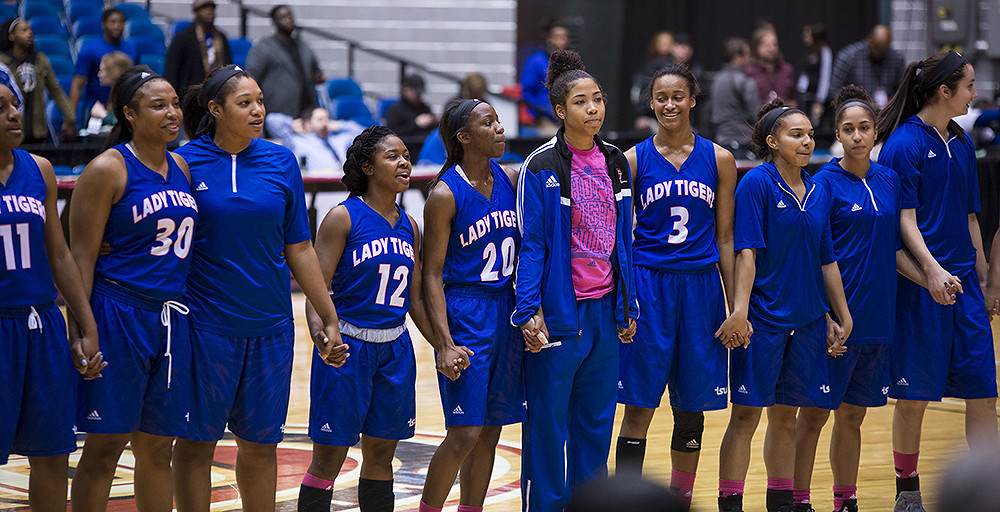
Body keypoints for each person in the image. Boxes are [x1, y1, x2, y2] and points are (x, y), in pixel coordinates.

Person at [170, 64, 343, 512]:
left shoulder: (281, 160)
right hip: (204, 327)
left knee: (261, 445)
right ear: (215, 109)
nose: (258, 110)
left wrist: (327, 315)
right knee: (195, 445)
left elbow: (300, 248)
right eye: (245, 102)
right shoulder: (184, 163)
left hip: (270, 326)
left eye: (260, 101)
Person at [512, 49, 638, 512]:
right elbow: (532, 244)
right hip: (559, 314)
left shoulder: (617, 161)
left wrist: (628, 305)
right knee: (548, 426)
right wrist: (528, 310)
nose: (593, 109)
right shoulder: (540, 164)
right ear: (560, 110)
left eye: (598, 99)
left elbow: (624, 242)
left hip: (605, 311)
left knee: (596, 424)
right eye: (581, 102)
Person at [714, 100, 853, 512]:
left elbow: (825, 259)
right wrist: (740, 310)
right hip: (764, 320)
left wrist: (838, 314)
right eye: (797, 135)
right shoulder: (756, 184)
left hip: (808, 320)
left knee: (786, 416)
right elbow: (747, 253)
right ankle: (730, 504)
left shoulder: (819, 189)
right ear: (773, 142)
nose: (807, 141)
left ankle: (781, 504)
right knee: (746, 416)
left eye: (810, 134)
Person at [68, 66, 195, 512]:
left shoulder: (181, 165)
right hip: (118, 313)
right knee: (106, 445)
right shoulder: (108, 168)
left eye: (175, 103)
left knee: (158, 447)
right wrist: (81, 330)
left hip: (170, 318)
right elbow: (80, 258)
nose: (172, 112)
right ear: (129, 114)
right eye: (158, 105)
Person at [792, 85, 924, 512]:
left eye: (864, 128)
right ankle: (798, 501)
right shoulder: (822, 184)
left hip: (877, 320)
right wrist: (827, 315)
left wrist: (930, 280)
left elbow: (894, 250)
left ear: (875, 131)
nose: (857, 136)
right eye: (848, 129)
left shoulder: (889, 180)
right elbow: (813, 256)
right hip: (835, 323)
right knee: (814, 414)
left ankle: (845, 501)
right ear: (837, 134)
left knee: (853, 415)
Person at [877, 50, 998, 512]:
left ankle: (989, 488)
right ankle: (907, 492)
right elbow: (904, 221)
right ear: (944, 91)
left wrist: (985, 279)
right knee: (914, 397)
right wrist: (931, 271)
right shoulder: (904, 144)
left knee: (983, 392)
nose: (974, 94)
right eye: (968, 86)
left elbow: (970, 218)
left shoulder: (962, 143)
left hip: (964, 286)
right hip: (921, 288)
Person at [613, 64, 737, 510]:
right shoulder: (632, 160)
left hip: (701, 291)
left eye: (678, 96)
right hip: (649, 288)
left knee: (691, 408)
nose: (670, 104)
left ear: (693, 100)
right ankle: (625, 503)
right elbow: (621, 240)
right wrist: (625, 302)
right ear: (651, 102)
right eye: (662, 97)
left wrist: (734, 305)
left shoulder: (720, 159)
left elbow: (726, 238)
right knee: (638, 406)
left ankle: (680, 501)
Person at [297, 125, 432, 512]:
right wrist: (321, 335)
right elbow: (316, 289)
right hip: (348, 347)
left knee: (382, 456)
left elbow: (415, 299)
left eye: (406, 155)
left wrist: (443, 344)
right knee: (329, 457)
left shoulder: (410, 226)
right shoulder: (343, 217)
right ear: (368, 167)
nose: (404, 162)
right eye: (392, 156)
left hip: (395, 348)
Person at [0, 68, 101, 512]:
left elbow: (59, 255)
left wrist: (85, 325)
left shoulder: (38, 169)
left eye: (15, 105)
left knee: (52, 454)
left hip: (40, 326)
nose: (13, 115)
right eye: (0, 108)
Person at [417, 99, 524, 512]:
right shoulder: (445, 193)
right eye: (488, 123)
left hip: (506, 308)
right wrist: (443, 343)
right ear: (464, 137)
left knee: (491, 431)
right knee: (464, 433)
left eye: (498, 121)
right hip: (467, 309)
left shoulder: (510, 178)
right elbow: (431, 274)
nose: (500, 128)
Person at [0, 18, 75, 142]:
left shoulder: (40, 60)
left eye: (30, 30)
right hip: (11, 130)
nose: (29, 33)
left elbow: (56, 91)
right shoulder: (2, 63)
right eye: (24, 30)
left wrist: (69, 117)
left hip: (37, 130)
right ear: (12, 36)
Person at [244, 4, 324, 118]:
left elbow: (316, 70)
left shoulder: (303, 46)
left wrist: (318, 76)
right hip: (278, 111)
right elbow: (251, 76)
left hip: (306, 110)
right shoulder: (263, 47)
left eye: (290, 16)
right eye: (283, 17)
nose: (288, 20)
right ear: (274, 22)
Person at [69, 9, 137, 130]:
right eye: (112, 22)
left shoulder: (131, 49)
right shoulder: (90, 49)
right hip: (94, 107)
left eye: (120, 22)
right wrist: (70, 118)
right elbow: (78, 83)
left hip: (122, 106)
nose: (117, 26)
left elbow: (135, 79)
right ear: (103, 24)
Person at [163, 0, 232, 99]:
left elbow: (228, 67)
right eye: (204, 8)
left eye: (212, 8)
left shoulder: (221, 37)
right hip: (190, 96)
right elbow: (171, 72)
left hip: (217, 94)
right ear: (196, 12)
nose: (209, 12)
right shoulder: (182, 38)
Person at [829, 25, 906, 109]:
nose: (880, 53)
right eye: (877, 48)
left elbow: (903, 90)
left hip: (888, 111)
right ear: (869, 40)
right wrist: (859, 105)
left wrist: (892, 102)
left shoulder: (897, 59)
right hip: (856, 111)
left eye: (884, 50)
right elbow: (834, 91)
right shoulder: (849, 57)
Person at [265, 106, 364, 170]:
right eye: (320, 119)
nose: (325, 123)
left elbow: (363, 135)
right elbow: (271, 120)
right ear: (308, 124)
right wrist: (292, 124)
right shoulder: (296, 142)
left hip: (341, 186)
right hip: (315, 188)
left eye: (327, 119)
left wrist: (339, 125)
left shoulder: (337, 140)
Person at [710, 38, 760, 158]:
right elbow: (756, 114)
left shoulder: (716, 79)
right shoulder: (745, 81)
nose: (749, 59)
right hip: (742, 142)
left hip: (720, 142)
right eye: (747, 55)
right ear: (737, 57)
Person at [520, 19, 570, 133]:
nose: (561, 41)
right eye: (557, 37)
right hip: (545, 119)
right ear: (549, 39)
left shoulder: (569, 61)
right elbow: (527, 93)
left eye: (564, 37)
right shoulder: (535, 61)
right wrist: (543, 110)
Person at [630, 31, 674, 131]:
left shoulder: (676, 67)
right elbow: (638, 91)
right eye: (663, 43)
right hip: (652, 117)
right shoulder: (649, 68)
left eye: (669, 43)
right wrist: (641, 114)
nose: (666, 46)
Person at [745, 25, 798, 107]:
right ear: (756, 47)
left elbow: (794, 99)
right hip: (759, 114)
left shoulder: (787, 70)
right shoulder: (749, 72)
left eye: (774, 45)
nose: (771, 49)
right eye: (766, 45)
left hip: (784, 113)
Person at [88, 51, 133, 132]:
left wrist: (102, 114)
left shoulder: (125, 94)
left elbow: (124, 124)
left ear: (113, 72)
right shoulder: (117, 90)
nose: (99, 74)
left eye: (101, 70)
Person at [797, 24, 832, 126]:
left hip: (816, 99)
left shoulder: (824, 52)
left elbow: (825, 77)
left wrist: (819, 101)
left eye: (807, 34)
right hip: (805, 97)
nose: (804, 37)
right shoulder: (808, 52)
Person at [384, 74, 436, 141]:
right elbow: (392, 135)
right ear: (405, 89)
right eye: (416, 92)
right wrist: (415, 123)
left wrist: (434, 121)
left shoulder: (425, 108)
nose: (419, 95)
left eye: (420, 93)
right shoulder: (394, 110)